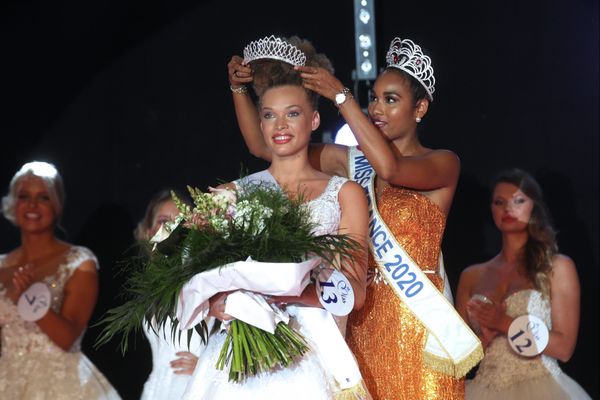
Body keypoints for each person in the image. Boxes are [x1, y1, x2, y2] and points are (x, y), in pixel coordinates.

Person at [228, 36, 482, 399]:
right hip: (358, 321)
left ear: (420, 108)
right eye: (374, 98)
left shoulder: (443, 162)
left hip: (416, 323)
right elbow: (264, 147)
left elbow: (391, 168)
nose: (377, 108)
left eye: (390, 100)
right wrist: (238, 89)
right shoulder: (349, 160)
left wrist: (341, 98)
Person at [182, 35, 370, 399]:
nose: (280, 125)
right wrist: (217, 300)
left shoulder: (345, 193)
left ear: (314, 119)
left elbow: (354, 292)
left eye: (293, 113)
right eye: (269, 115)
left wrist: (286, 295)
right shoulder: (230, 195)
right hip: (235, 360)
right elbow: (201, 281)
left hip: (310, 354)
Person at [455, 168, 591, 399]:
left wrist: (504, 322)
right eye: (499, 202)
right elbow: (458, 356)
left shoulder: (557, 267)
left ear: (534, 207)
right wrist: (485, 338)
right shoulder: (472, 275)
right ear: (491, 209)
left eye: (518, 200)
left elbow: (564, 348)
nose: (508, 209)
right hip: (484, 389)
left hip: (541, 387)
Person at [0, 161, 121, 399]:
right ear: (14, 203)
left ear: (57, 205)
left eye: (43, 197)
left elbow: (67, 338)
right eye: (24, 196)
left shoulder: (79, 261)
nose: (33, 204)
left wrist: (29, 295)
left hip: (61, 383)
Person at [134, 189, 212, 400]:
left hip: (195, 388)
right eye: (163, 221)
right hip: (157, 390)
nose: (173, 228)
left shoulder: (209, 279)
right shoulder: (151, 286)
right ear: (149, 231)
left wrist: (207, 368)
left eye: (181, 221)